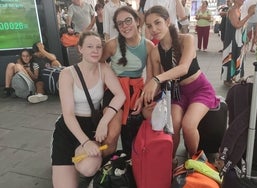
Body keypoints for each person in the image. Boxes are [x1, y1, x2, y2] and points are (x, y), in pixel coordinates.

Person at [142, 5, 220, 159]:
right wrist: (145, 98)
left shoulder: (186, 39)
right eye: (149, 26)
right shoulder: (156, 51)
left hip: (200, 89)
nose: (154, 29)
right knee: (173, 125)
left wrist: (156, 79)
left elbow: (183, 68)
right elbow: (157, 83)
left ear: (168, 21)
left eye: (158, 23)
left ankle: (194, 159)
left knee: (189, 125)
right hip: (178, 93)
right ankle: (169, 162)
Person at [51, 31, 126, 188]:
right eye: (90, 46)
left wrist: (104, 122)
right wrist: (85, 142)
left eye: (99, 47)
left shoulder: (103, 69)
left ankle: (82, 162)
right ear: (80, 49)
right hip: (68, 128)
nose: (95, 50)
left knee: (88, 167)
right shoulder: (67, 73)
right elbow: (68, 115)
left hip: (90, 125)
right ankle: (64, 154)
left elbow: (120, 95)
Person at [100, 5, 155, 156]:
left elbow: (151, 78)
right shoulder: (112, 44)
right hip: (115, 90)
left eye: (128, 20)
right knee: (111, 136)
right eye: (120, 23)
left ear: (138, 21)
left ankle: (132, 167)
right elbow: (99, 64)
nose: (125, 26)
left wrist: (143, 96)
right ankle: (102, 170)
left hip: (137, 92)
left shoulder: (149, 46)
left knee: (138, 136)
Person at [221, 0, 255, 86]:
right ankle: (228, 79)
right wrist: (249, 15)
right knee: (231, 57)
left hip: (238, 39)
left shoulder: (238, 9)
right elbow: (237, 25)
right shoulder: (232, 10)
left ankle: (233, 77)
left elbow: (241, 25)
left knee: (236, 57)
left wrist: (245, 36)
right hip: (232, 40)